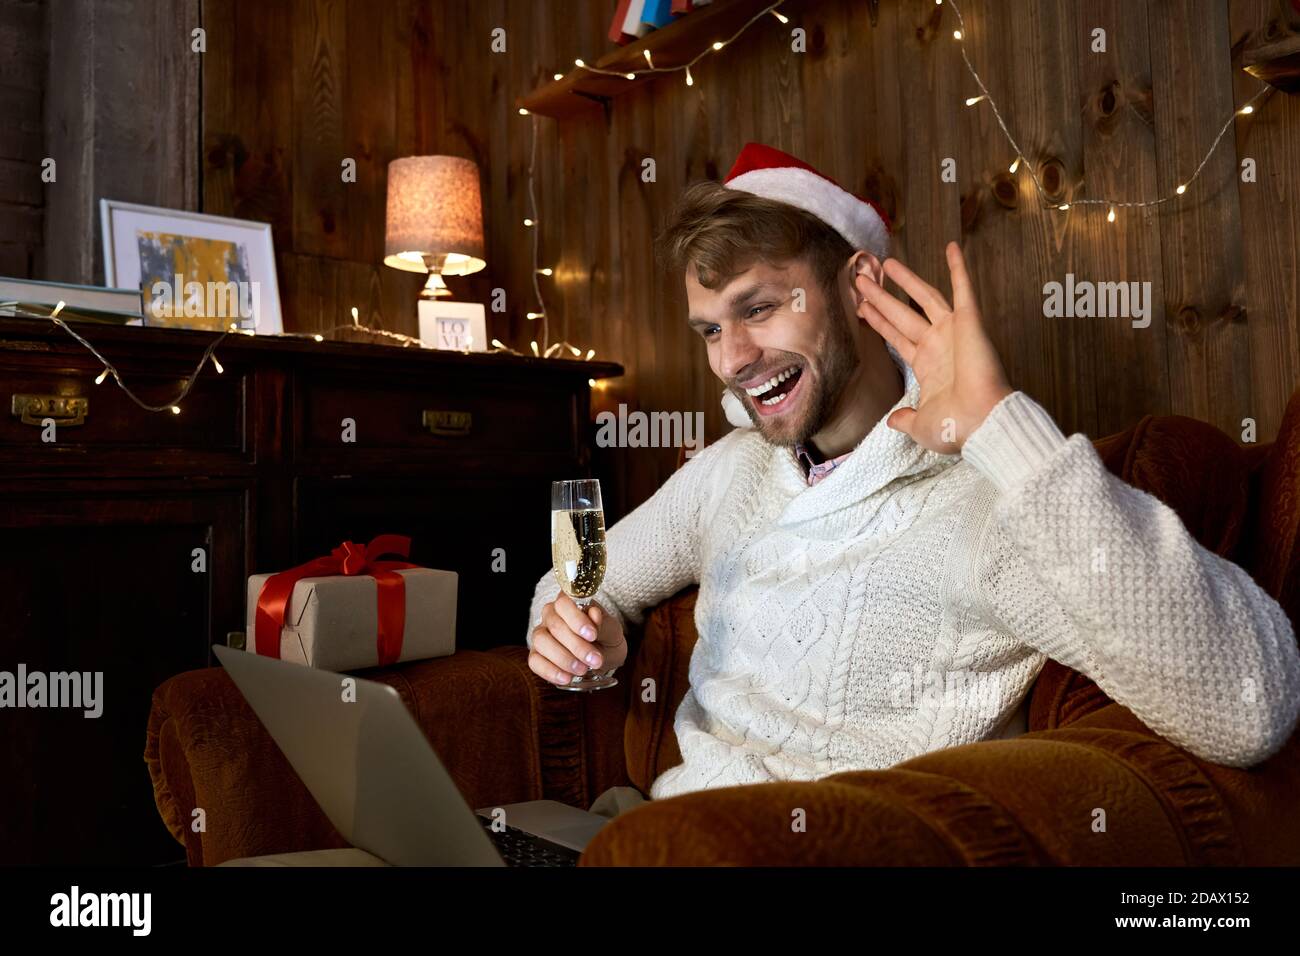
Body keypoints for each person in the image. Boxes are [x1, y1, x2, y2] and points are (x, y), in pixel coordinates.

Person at [525, 141, 1300, 808]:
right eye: (711, 330)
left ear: (858, 285)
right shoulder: (730, 471)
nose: (730, 360)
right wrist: (577, 628)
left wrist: (1001, 428)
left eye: (758, 309)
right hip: (653, 832)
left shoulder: (992, 499)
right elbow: (580, 582)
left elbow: (1249, 704)